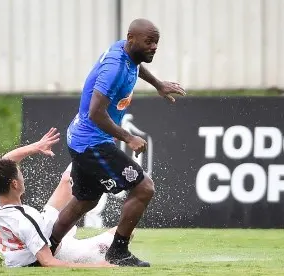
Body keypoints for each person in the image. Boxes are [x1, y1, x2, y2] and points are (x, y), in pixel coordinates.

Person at [50, 18, 185, 267]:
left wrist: (158, 84)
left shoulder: (126, 50)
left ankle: (47, 248)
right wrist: (128, 137)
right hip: (92, 143)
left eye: (156, 42)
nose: (154, 46)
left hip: (81, 139)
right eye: (149, 42)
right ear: (131, 39)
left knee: (86, 200)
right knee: (144, 187)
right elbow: (96, 112)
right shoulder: (113, 68)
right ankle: (118, 252)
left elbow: (136, 65)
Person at [0, 128, 119, 268]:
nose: (23, 176)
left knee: (67, 180)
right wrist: (98, 266)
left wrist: (36, 147)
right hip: (50, 253)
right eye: (20, 174)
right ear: (14, 184)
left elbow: (7, 160)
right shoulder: (26, 219)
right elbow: (48, 262)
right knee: (121, 233)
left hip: (35, 235)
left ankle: (96, 147)